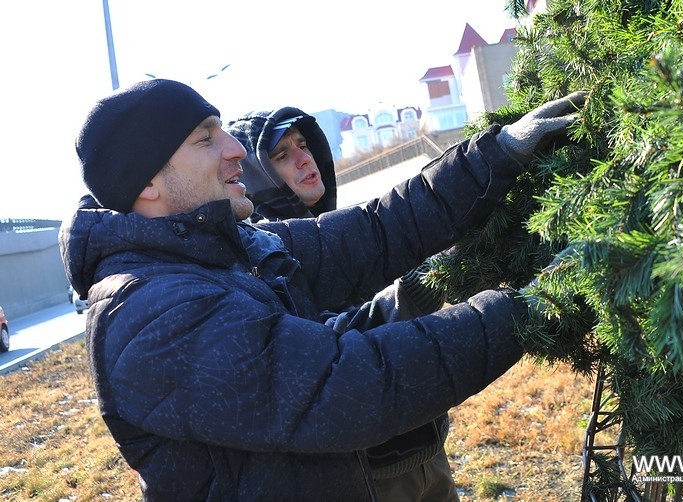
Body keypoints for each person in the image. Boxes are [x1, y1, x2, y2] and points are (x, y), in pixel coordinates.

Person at [59, 79, 586, 500]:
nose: (236, 149)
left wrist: (496, 155)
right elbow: (348, 383)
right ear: (146, 185)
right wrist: (532, 306)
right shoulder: (152, 317)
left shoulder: (230, 248)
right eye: (205, 138)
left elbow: (372, 233)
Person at [224, 108, 455, 500]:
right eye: (281, 155)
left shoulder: (346, 234)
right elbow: (335, 348)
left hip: (428, 451)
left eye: (302, 144)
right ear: (256, 175)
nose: (303, 158)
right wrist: (422, 284)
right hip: (368, 477)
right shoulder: (263, 266)